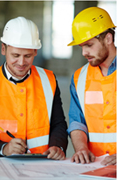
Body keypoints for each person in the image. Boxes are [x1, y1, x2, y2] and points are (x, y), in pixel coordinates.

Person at [0, 16, 68, 160]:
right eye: (15, 55)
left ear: (35, 51)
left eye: (27, 56)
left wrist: (57, 146)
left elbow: (58, 123)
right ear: (3, 49)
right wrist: (4, 148)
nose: (21, 62)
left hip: (41, 165)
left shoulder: (49, 80)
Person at [67, 7, 116, 166]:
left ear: (108, 39)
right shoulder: (79, 77)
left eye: (89, 45)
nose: (84, 53)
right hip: (94, 168)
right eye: (81, 46)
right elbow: (77, 121)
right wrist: (80, 148)